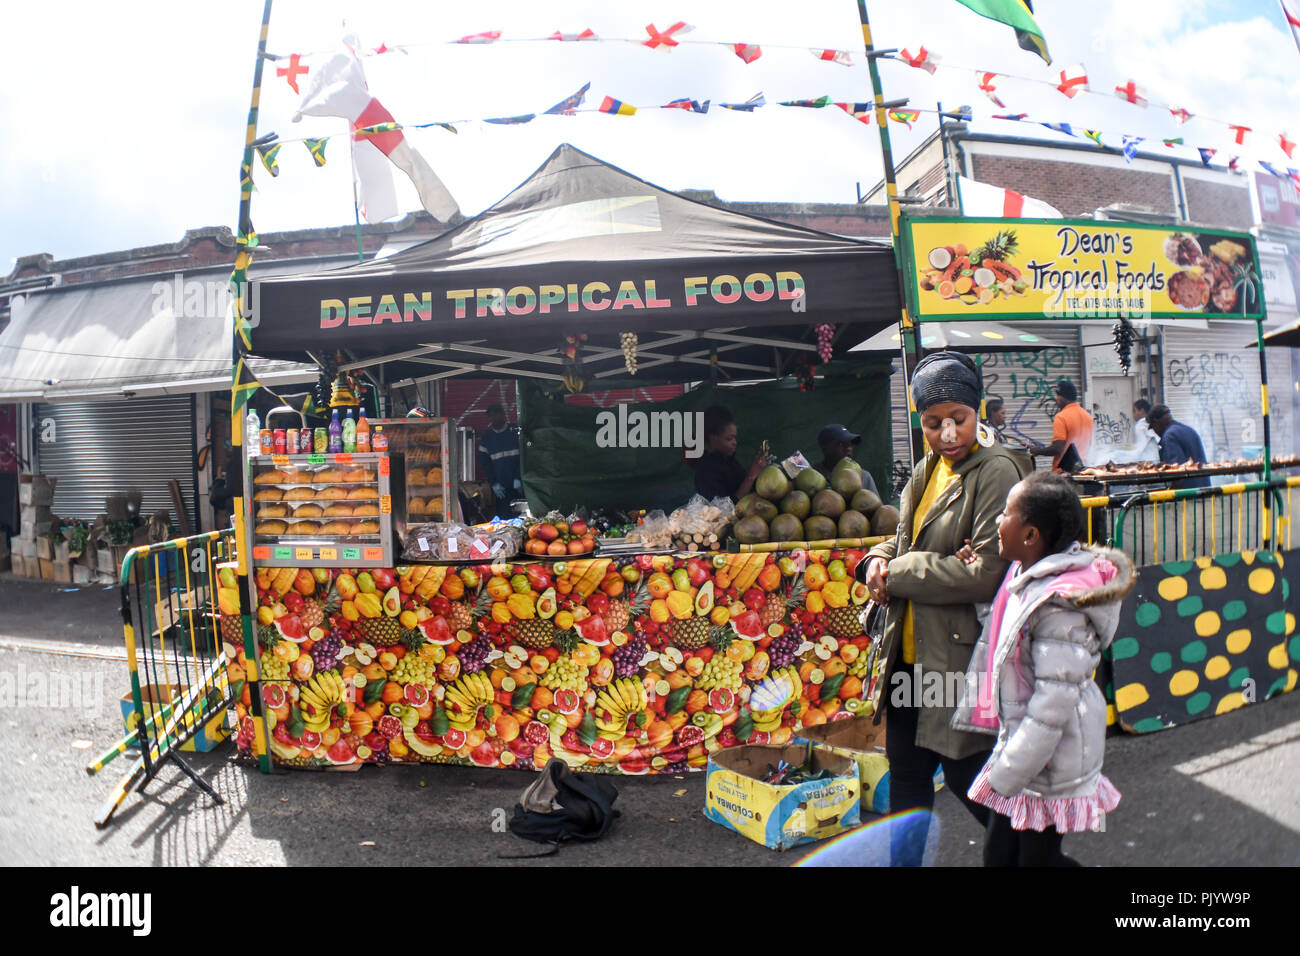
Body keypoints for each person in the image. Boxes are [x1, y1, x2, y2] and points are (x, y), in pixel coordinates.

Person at [855, 351, 1024, 866]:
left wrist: (900, 572)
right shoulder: (929, 469)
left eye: (959, 419)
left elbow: (986, 573)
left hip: (958, 657)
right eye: (933, 423)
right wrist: (875, 561)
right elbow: (902, 539)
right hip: (909, 653)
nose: (947, 433)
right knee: (906, 773)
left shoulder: (995, 470)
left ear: (978, 411)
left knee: (966, 774)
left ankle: (1031, 859)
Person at [952, 472, 1133, 866]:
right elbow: (1007, 628)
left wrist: (1009, 771)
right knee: (1001, 854)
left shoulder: (1058, 604)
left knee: (1034, 861)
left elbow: (1053, 704)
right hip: (1026, 750)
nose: (997, 521)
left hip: (1048, 758)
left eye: (1004, 514)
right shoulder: (1025, 574)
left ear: (1031, 535)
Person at [691, 405, 769, 502]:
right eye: (729, 438)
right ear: (713, 438)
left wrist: (760, 468)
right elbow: (724, 509)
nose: (735, 442)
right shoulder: (706, 472)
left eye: (735, 437)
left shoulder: (729, 460)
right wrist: (751, 476)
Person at [1030, 379, 1093, 472]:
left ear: (1064, 397)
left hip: (1064, 472)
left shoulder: (1062, 417)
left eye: (1058, 395)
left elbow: (1058, 448)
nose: (1056, 398)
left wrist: (1038, 451)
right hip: (1082, 470)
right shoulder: (1087, 416)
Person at [1147, 404, 1210, 489]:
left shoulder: (1169, 436)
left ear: (1157, 423)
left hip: (1188, 495)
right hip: (1204, 490)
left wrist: (1169, 494)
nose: (1154, 431)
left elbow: (1177, 472)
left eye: (1153, 427)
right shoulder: (1188, 430)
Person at [814, 423, 879, 494]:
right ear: (825, 448)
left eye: (850, 443)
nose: (849, 448)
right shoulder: (813, 476)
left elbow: (876, 504)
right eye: (841, 444)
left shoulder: (863, 477)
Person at [478, 403, 522, 505]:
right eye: (490, 416)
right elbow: (485, 464)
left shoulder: (516, 431)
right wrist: (494, 483)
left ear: (503, 415)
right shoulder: (486, 438)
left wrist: (519, 477)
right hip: (502, 491)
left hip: (520, 487)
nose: (493, 419)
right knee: (503, 520)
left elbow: (526, 457)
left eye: (496, 415)